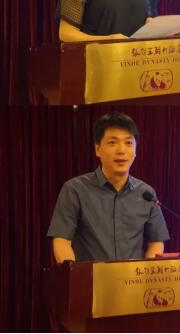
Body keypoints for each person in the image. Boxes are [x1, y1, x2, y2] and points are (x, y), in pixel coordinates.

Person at [47, 111, 169, 262]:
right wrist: (76, 274)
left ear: (135, 150)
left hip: (133, 277)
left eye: (128, 143)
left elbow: (156, 243)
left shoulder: (146, 193)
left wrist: (145, 273)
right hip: (91, 276)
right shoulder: (75, 189)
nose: (121, 150)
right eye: (112, 142)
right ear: (98, 149)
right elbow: (61, 242)